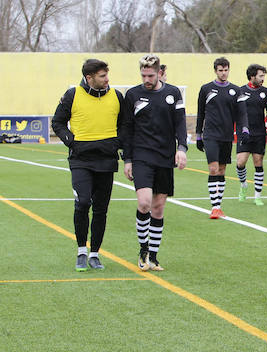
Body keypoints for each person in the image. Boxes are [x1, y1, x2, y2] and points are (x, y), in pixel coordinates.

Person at [51, 59, 125, 271]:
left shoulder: (117, 96)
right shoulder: (72, 95)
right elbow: (57, 122)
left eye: (106, 75)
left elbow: (125, 125)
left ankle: (95, 254)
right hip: (81, 160)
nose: (107, 79)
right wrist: (71, 141)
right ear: (89, 78)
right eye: (102, 76)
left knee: (101, 209)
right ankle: (81, 251)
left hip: (106, 160)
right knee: (83, 202)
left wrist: (116, 144)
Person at [121, 55, 188, 271]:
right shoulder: (133, 95)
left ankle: (154, 256)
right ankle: (143, 250)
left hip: (165, 156)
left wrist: (181, 149)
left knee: (158, 208)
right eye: (143, 75)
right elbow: (127, 129)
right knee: (144, 203)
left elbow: (180, 124)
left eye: (150, 75)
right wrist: (128, 159)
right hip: (141, 156)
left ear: (159, 73)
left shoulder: (173, 93)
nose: (146, 79)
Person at [196, 57, 249, 218]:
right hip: (211, 135)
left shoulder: (235, 90)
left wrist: (245, 130)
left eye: (226, 70)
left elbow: (242, 113)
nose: (223, 73)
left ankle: (219, 205)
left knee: (222, 170)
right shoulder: (206, 89)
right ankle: (215, 207)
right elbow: (200, 113)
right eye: (220, 70)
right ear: (215, 71)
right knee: (213, 169)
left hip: (226, 135)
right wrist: (198, 135)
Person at [236, 64, 267, 206]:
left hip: (259, 133)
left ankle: (257, 196)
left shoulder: (265, 92)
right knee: (240, 162)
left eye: (264, 76)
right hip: (244, 132)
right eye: (261, 76)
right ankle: (243, 185)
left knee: (258, 162)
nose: (263, 78)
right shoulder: (241, 91)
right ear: (252, 77)